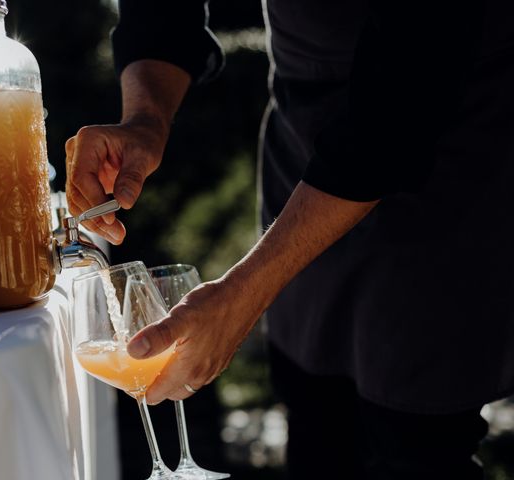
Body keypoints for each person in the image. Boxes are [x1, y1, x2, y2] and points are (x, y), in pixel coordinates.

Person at [65, 0, 514, 478]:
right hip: (303, 134)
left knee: (417, 436)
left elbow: (404, 92)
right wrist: (145, 119)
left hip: (440, 140)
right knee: (316, 416)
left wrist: (245, 292)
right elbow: (161, 14)